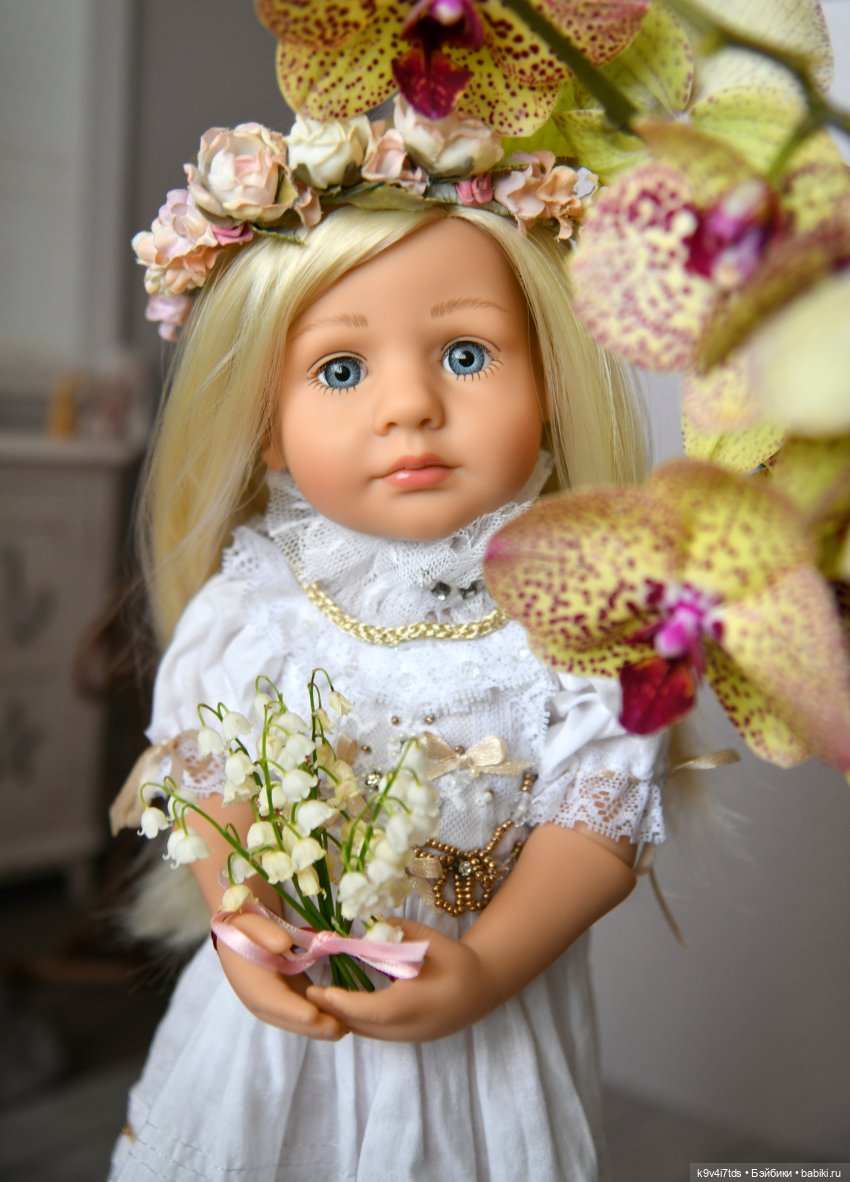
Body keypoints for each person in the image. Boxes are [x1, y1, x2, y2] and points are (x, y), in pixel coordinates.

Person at [109, 111, 667, 1181]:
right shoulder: (256, 606)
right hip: (273, 1036)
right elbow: (208, 774)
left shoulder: (583, 619)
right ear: (265, 425)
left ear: (551, 386)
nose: (410, 405)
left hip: (479, 1039)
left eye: (465, 354)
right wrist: (241, 917)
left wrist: (486, 967)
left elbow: (598, 822)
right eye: (339, 370)